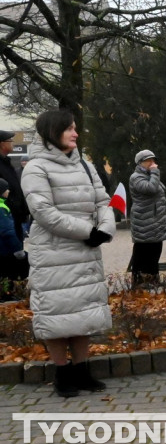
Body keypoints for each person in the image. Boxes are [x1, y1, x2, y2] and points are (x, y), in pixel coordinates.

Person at [21, 109, 114, 397]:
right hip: (53, 251)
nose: (75, 133)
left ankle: (83, 372)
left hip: (85, 249)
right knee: (57, 315)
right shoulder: (35, 168)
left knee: (83, 311)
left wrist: (105, 228)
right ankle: (63, 375)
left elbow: (103, 200)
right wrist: (88, 231)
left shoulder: (85, 165)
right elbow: (43, 212)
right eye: (69, 129)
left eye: (75, 128)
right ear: (52, 131)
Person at [128, 150, 166, 286]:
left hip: (155, 220)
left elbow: (159, 191)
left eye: (153, 160)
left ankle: (153, 278)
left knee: (155, 249)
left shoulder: (149, 175)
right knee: (143, 249)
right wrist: (155, 173)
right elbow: (150, 189)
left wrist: (164, 204)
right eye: (148, 161)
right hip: (144, 220)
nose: (152, 163)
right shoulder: (136, 177)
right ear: (140, 163)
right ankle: (139, 279)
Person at [0, 129, 28, 244]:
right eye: (10, 140)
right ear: (2, 144)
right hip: (6, 222)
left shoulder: (6, 162)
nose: (12, 142)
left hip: (16, 220)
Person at [0, 178, 29, 282]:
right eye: (6, 189)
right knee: (11, 277)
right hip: (6, 250)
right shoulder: (1, 207)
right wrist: (18, 250)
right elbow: (7, 231)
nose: (8, 191)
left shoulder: (3, 204)